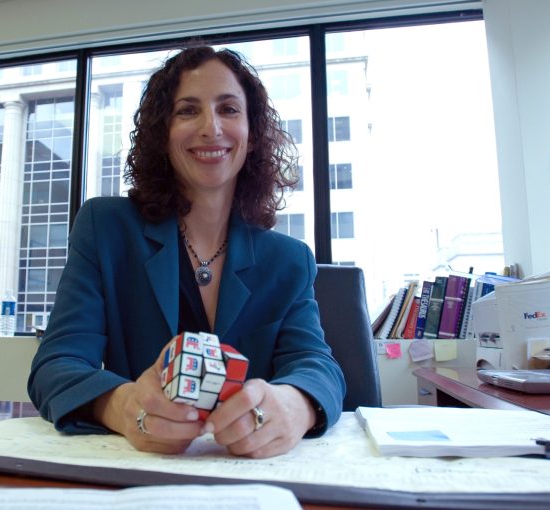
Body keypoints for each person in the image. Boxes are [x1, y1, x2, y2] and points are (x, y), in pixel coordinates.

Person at [28, 45, 346, 459]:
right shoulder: (105, 229)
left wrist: (298, 404)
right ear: (163, 133)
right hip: (138, 473)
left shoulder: (288, 260)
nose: (211, 127)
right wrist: (123, 407)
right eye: (187, 111)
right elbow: (56, 365)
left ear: (252, 136)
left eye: (229, 109)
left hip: (248, 478)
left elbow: (319, 366)